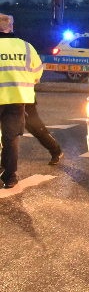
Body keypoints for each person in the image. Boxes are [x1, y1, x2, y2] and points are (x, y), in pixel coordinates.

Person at [0, 14, 44, 188]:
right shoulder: (26, 47)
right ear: (12, 27)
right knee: (11, 139)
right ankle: (10, 177)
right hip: (17, 99)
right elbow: (38, 73)